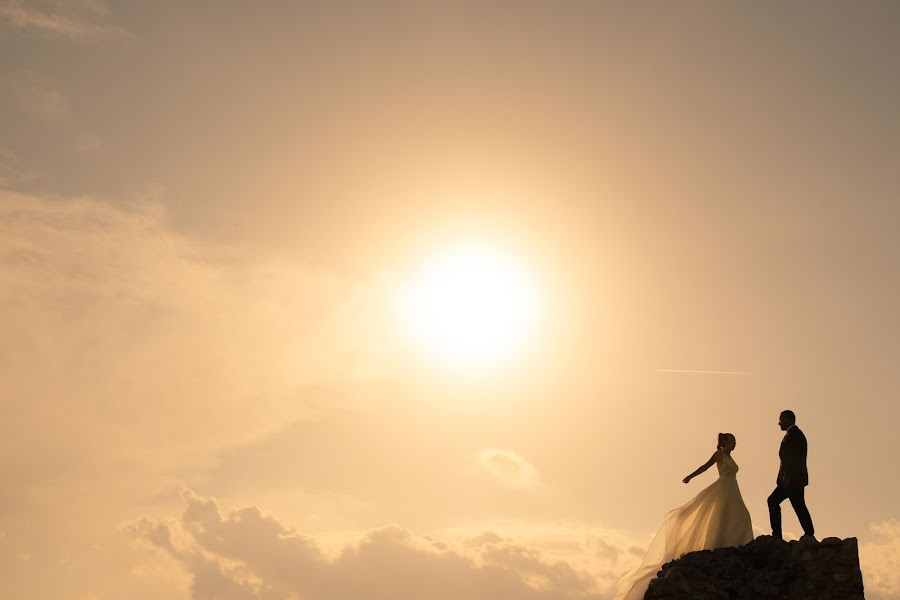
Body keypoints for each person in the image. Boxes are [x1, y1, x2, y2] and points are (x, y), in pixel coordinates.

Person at [613, 433, 754, 600]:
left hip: (733, 489)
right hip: (724, 489)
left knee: (741, 515)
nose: (735, 443)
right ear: (724, 442)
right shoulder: (720, 454)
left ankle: (738, 543)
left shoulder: (731, 457)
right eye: (732, 441)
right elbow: (705, 466)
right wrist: (690, 476)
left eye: (735, 441)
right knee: (724, 516)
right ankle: (722, 544)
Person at [767, 410, 815, 539]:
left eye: (780, 420)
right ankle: (809, 532)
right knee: (798, 505)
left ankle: (777, 536)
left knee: (773, 501)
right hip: (795, 479)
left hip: (791, 479)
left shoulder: (794, 435)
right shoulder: (795, 434)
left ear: (787, 419)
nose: (779, 423)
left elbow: (792, 458)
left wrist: (787, 476)